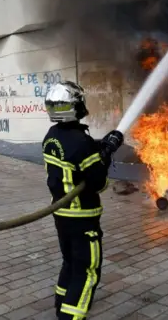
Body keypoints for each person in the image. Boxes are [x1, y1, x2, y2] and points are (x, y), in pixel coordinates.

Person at [42, 81, 124, 320]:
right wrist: (106, 153)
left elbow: (75, 155)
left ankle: (61, 304)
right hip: (83, 219)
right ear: (75, 107)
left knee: (69, 262)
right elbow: (98, 182)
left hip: (62, 215)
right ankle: (71, 315)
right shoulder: (81, 142)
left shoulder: (52, 136)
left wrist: (101, 145)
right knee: (87, 271)